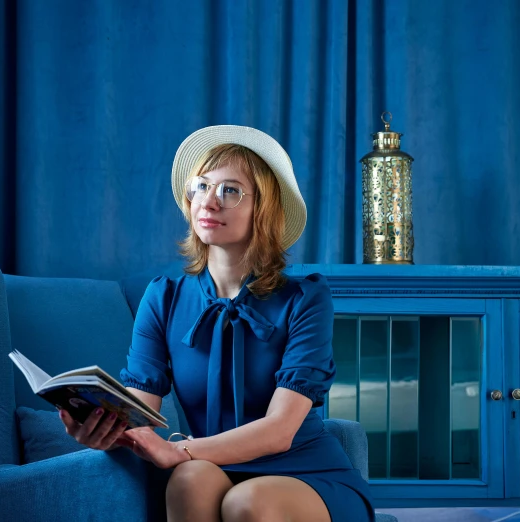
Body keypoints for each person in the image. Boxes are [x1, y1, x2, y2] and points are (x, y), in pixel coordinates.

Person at [59, 125, 375, 522]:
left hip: (305, 472)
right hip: (208, 465)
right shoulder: (163, 297)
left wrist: (178, 450)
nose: (208, 202)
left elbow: (279, 431)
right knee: (189, 481)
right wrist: (104, 430)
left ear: (263, 208)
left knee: (246, 503)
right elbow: (138, 410)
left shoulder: (306, 298)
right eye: (202, 186)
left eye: (230, 190)